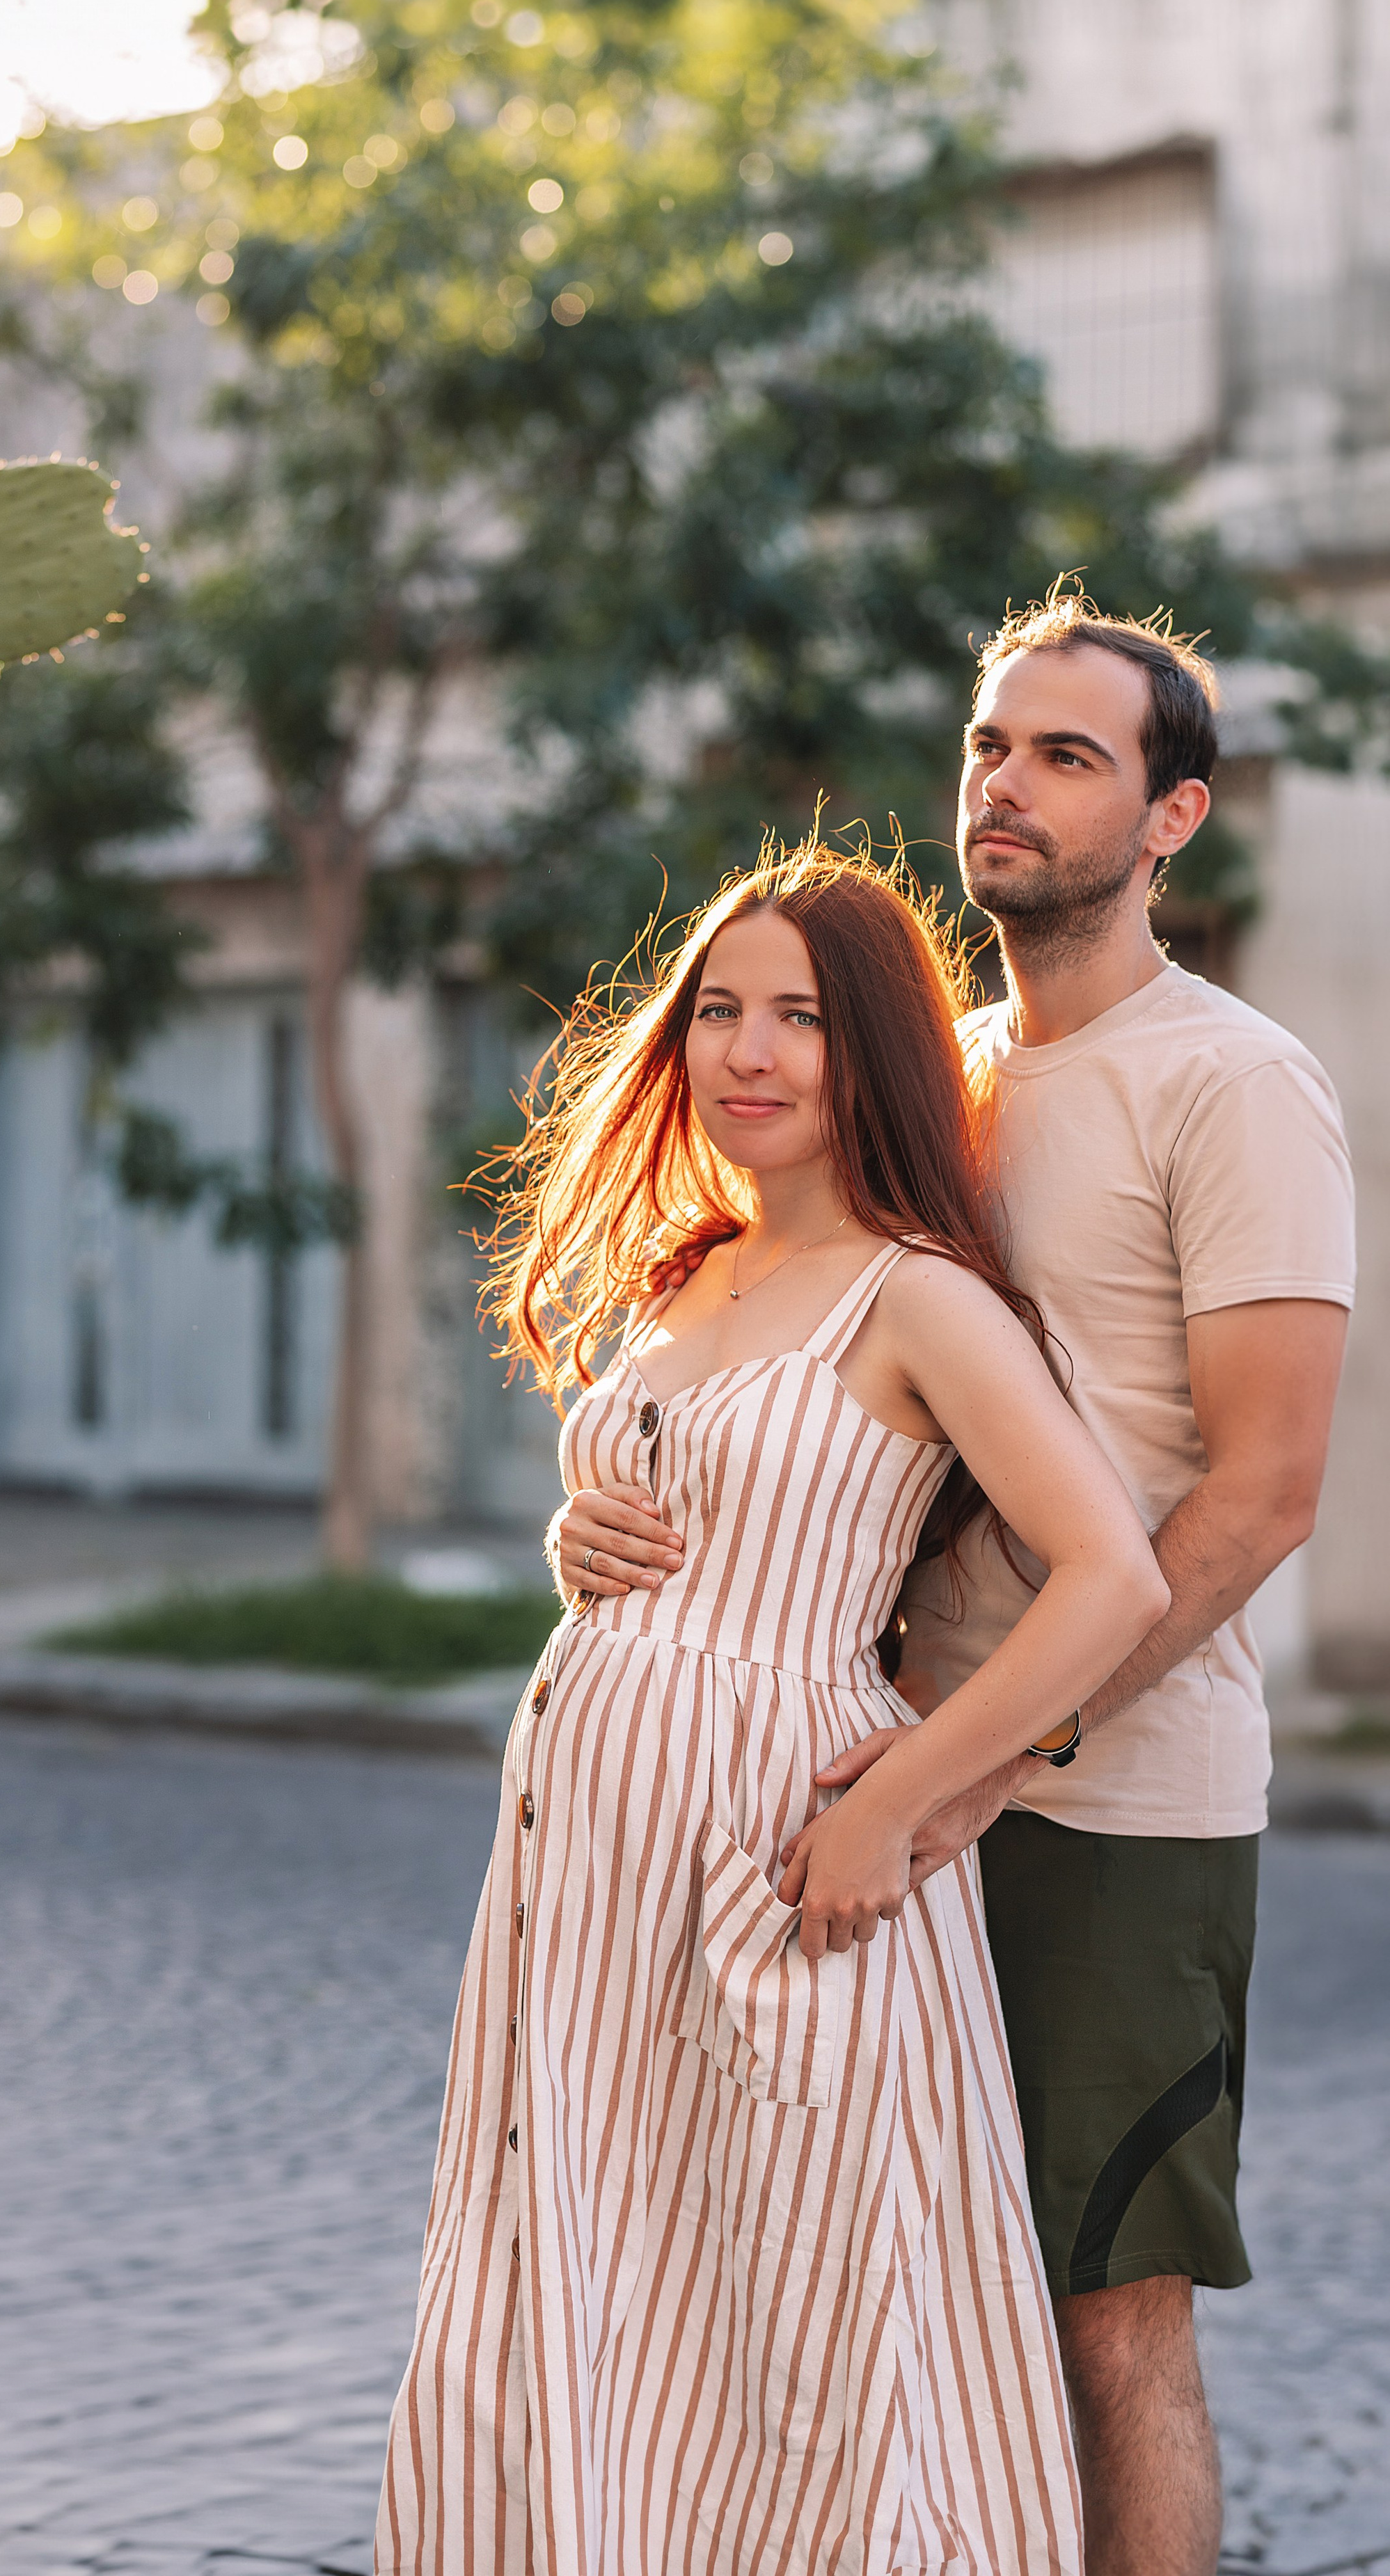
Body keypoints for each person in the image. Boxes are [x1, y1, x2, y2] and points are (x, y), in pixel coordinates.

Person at [562, 594, 1356, 2576]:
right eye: (993, 745)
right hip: (857, 1789)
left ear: (1170, 819)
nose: (1006, 785)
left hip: (1100, 1809)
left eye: (1069, 757)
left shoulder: (1233, 1085)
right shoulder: (936, 1069)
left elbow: (1261, 1496)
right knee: (879, 2310)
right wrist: (606, 1526)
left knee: (1109, 2331)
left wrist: (981, 1769)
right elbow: (787, 1368)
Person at [375, 841, 1169, 2575]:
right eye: (718, 1008)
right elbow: (693, 1531)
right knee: (599, 2263)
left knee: (795, 2314)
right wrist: (571, 1533)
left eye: (797, 1017)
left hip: (774, 1860)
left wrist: (900, 1801)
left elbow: (1112, 1576)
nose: (746, 1047)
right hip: (583, 1887)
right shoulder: (677, 1283)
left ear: (869, 1047)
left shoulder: (920, 1297)